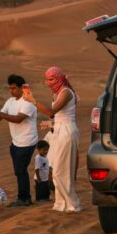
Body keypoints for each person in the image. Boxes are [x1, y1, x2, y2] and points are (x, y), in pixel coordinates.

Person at [31, 67, 82, 213]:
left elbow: (51, 112)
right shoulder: (57, 93)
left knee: (61, 170)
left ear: (59, 78)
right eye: (47, 79)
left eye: (51, 79)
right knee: (58, 169)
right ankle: (62, 204)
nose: (48, 82)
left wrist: (33, 101)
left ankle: (72, 204)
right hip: (59, 131)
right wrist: (50, 124)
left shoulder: (65, 92)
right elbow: (58, 117)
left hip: (67, 132)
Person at [0, 74, 39, 207]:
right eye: (9, 88)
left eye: (14, 88)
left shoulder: (28, 102)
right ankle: (24, 197)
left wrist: (0, 114)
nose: (11, 91)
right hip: (15, 142)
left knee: (21, 170)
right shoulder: (10, 101)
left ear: (21, 88)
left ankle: (24, 198)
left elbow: (18, 119)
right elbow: (0, 117)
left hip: (27, 142)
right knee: (19, 171)